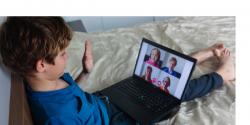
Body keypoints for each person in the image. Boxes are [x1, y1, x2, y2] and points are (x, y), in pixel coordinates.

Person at [0, 17, 235, 125]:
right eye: (62, 53)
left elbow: (74, 95)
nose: (66, 55)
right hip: (117, 119)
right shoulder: (57, 117)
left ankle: (196, 58)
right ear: (41, 64)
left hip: (106, 100)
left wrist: (86, 72)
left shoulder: (49, 80)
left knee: (146, 77)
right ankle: (223, 76)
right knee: (168, 91)